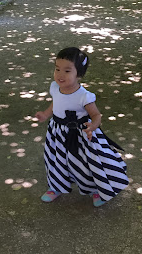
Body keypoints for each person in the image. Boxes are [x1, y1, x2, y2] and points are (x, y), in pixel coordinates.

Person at [34, 47, 129, 207]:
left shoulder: (84, 96)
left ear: (79, 74)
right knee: (55, 159)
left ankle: (96, 189)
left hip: (80, 135)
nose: (60, 74)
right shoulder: (55, 88)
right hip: (57, 132)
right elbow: (55, 103)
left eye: (67, 71)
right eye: (57, 69)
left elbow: (96, 115)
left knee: (84, 163)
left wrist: (93, 126)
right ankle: (56, 186)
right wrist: (45, 114)